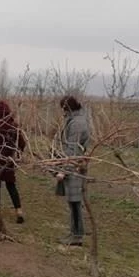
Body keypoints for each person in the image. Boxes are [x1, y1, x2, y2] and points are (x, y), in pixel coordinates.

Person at [56, 95, 90, 246]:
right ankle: (74, 233)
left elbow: (73, 149)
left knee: (75, 202)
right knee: (73, 202)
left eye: (63, 108)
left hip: (75, 167)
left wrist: (64, 170)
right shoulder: (76, 119)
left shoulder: (76, 124)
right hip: (76, 165)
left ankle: (77, 236)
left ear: (67, 108)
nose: (62, 112)